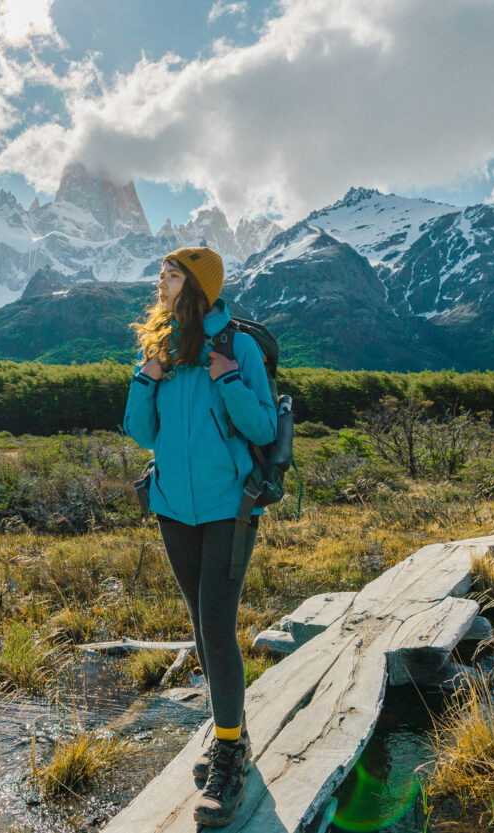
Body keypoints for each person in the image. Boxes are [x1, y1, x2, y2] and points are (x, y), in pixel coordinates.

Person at [123, 246, 278, 827]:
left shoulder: (234, 346)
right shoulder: (158, 345)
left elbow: (262, 424)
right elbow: (141, 433)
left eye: (170, 273)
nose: (159, 280)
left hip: (228, 509)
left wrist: (229, 379)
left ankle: (230, 756)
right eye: (161, 271)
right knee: (199, 622)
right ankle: (228, 732)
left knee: (216, 624)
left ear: (197, 285)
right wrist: (148, 375)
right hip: (172, 509)